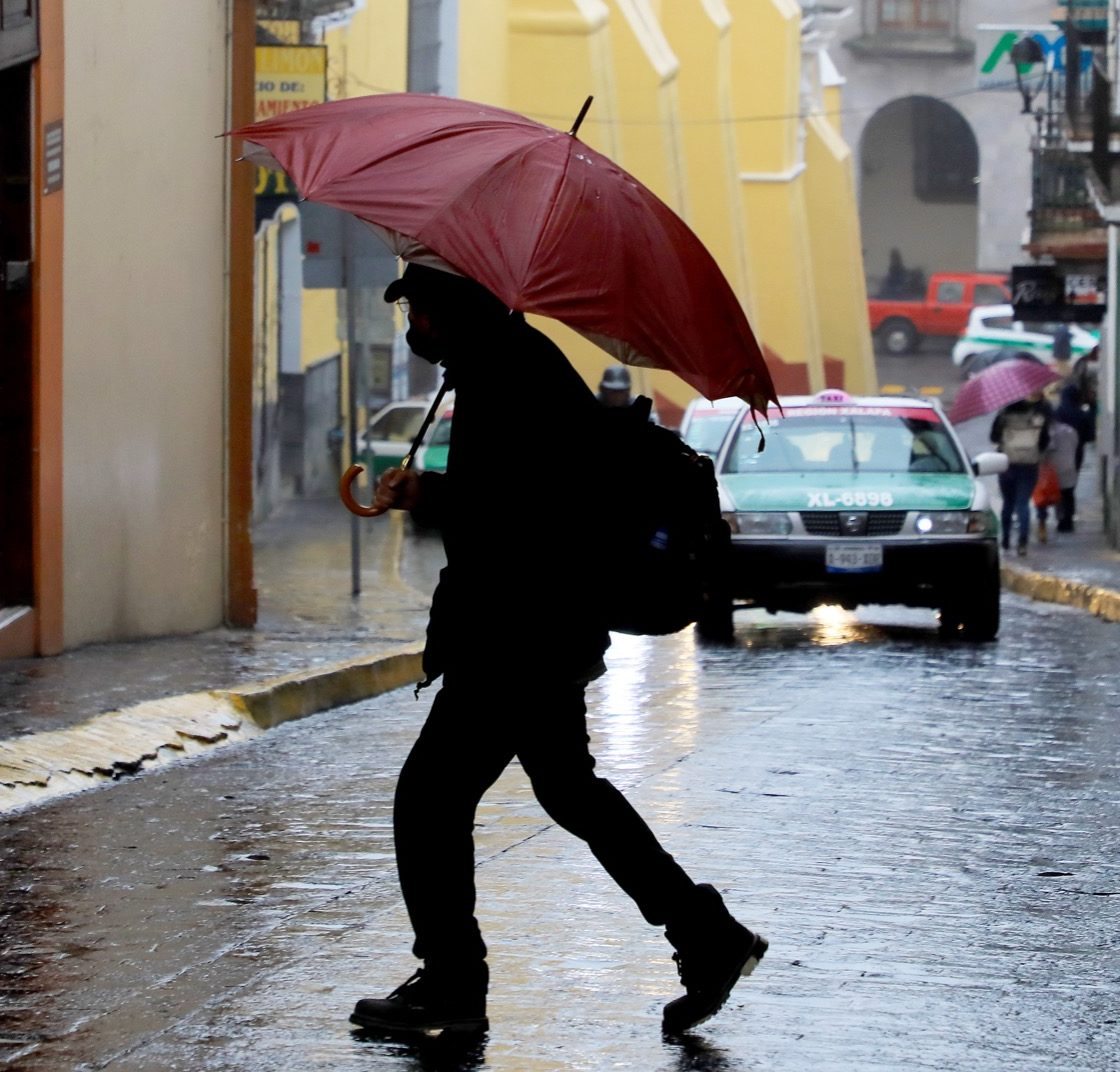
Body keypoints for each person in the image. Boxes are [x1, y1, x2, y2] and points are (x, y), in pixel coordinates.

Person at [349, 263, 767, 1037]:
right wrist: (431, 493)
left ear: (451, 309)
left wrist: (434, 496)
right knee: (571, 793)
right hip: (537, 629)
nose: (413, 321)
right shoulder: (494, 365)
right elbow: (512, 498)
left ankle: (451, 982)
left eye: (419, 306)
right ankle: (707, 936)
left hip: (517, 635)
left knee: (429, 800)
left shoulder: (513, 371)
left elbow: (533, 511)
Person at [991, 393, 1051, 556]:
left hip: (1007, 464)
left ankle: (1005, 539)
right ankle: (1022, 542)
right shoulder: (1035, 417)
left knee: (1008, 503)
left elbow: (994, 437)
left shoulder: (1003, 417)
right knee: (1022, 503)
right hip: (1029, 465)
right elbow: (1044, 441)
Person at [1034, 418, 1078, 539]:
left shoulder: (1050, 432)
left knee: (1058, 495)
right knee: (1068, 495)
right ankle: (1067, 521)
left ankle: (1060, 520)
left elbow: (1047, 449)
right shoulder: (1070, 430)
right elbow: (1076, 445)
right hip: (1070, 466)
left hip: (1055, 469)